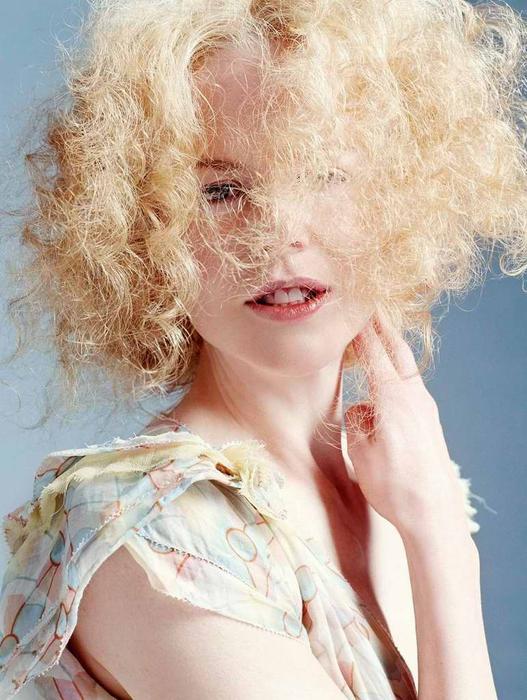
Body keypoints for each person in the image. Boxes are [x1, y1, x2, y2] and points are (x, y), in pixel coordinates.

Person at [1, 0, 525, 698]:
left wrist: (430, 523)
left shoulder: (401, 478)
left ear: (401, 193)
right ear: (141, 230)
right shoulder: (152, 533)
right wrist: (445, 547)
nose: (280, 231)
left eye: (324, 173)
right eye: (222, 191)